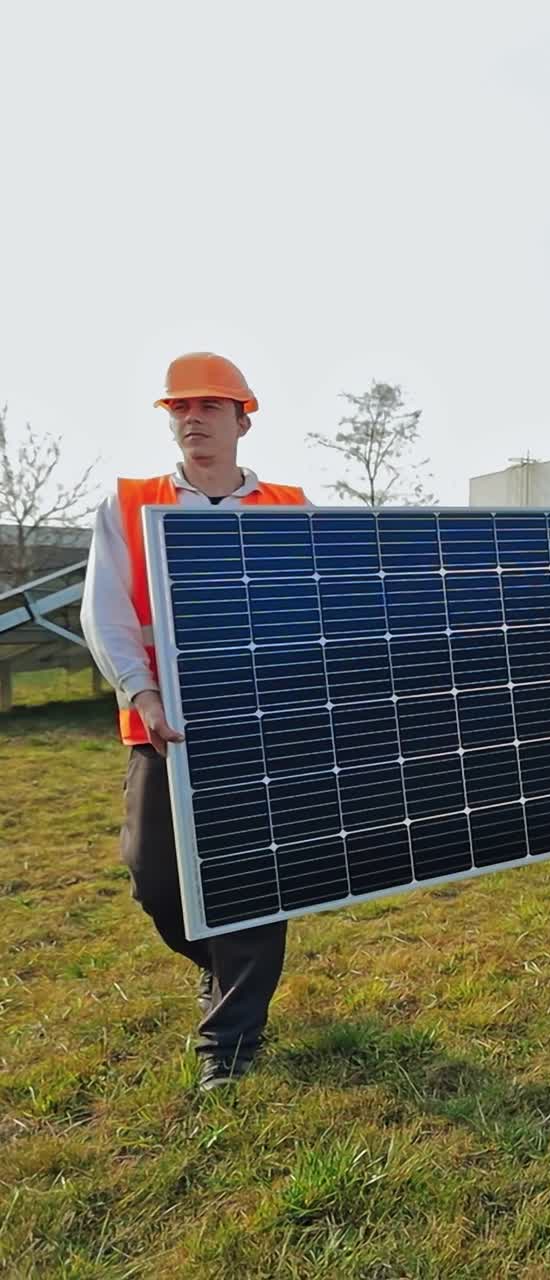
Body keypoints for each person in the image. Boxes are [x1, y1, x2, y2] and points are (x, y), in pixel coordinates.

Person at [82, 352, 308, 1090]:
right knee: (155, 880)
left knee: (256, 882)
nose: (192, 419)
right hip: (162, 729)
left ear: (243, 419)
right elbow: (105, 613)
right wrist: (142, 694)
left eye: (209, 407)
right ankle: (220, 967)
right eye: (180, 408)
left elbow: (312, 616)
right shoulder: (129, 502)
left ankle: (230, 1043)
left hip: (260, 731)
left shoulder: (289, 507)